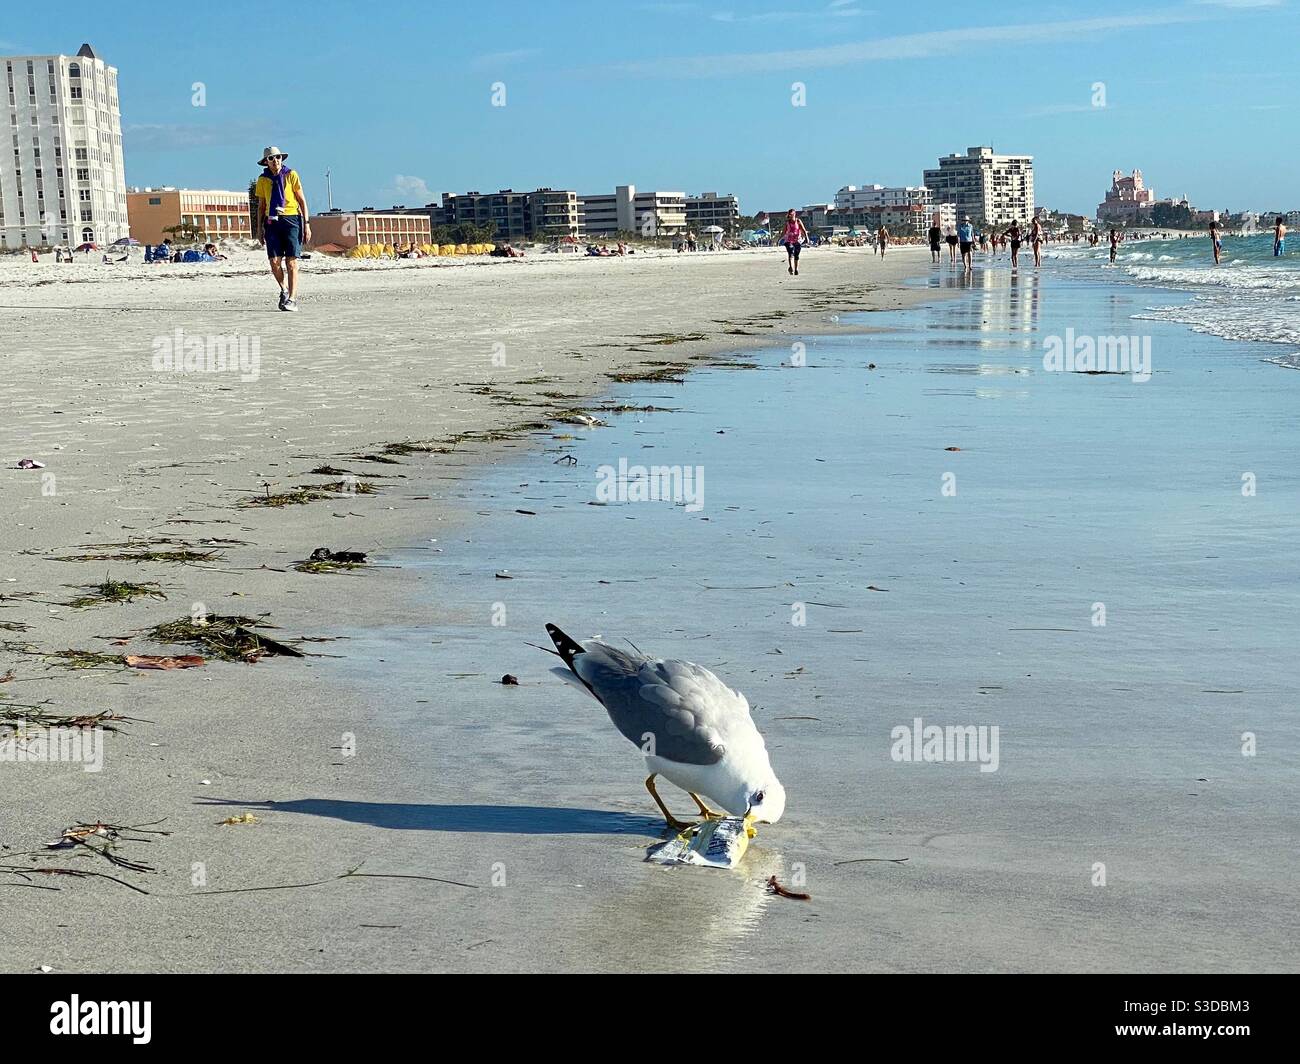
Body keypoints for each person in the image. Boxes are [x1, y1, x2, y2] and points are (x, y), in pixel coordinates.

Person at [254, 145, 311, 312]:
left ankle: (292, 299)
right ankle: (284, 289)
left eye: (278, 157)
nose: (275, 161)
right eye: (271, 158)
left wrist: (306, 224)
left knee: (291, 261)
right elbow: (261, 205)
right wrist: (259, 229)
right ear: (266, 162)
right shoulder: (262, 180)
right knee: (274, 262)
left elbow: (302, 201)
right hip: (271, 221)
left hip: (291, 219)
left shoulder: (291, 175)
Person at [781, 209, 808, 275]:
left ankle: (796, 269)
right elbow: (783, 232)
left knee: (796, 255)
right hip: (788, 240)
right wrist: (779, 239)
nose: (791, 216)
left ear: (795, 214)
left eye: (792, 214)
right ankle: (791, 267)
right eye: (790, 215)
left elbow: (803, 230)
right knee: (790, 253)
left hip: (797, 240)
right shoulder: (787, 222)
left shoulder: (798, 221)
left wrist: (807, 238)